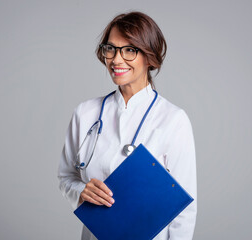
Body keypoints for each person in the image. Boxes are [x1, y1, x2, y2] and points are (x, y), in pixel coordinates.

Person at [58, 11, 197, 240]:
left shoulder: (173, 120)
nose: (116, 59)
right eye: (110, 48)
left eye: (130, 50)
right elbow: (66, 177)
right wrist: (81, 191)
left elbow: (184, 209)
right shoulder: (85, 114)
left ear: (149, 57)